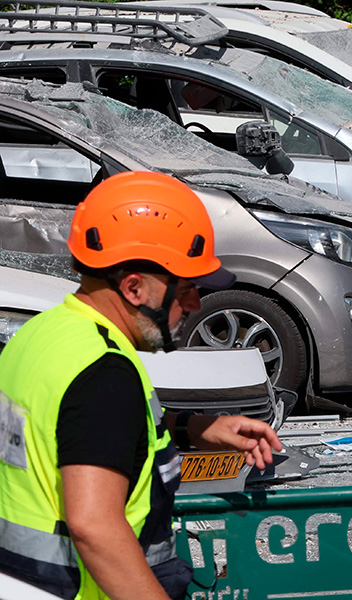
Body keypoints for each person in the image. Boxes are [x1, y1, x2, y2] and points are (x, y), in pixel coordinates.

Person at [0, 171, 283, 600]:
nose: (194, 305)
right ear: (134, 287)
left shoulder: (41, 336)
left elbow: (76, 430)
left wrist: (193, 427)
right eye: (187, 289)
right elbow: (94, 526)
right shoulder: (105, 373)